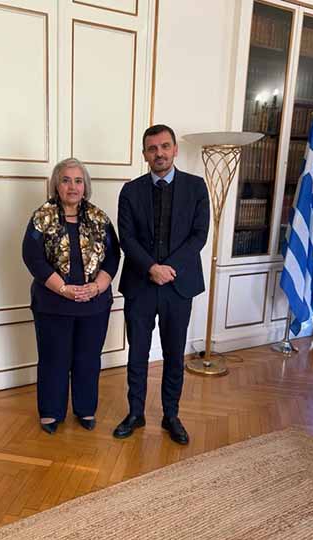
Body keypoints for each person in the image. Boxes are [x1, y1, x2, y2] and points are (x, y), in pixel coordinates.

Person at [113, 124, 210, 445]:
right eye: (152, 148)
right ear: (144, 154)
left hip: (179, 286)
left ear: (174, 150)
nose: (160, 153)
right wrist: (151, 268)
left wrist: (169, 269)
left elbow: (199, 235)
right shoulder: (130, 191)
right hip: (140, 285)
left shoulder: (196, 187)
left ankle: (171, 415)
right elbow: (126, 237)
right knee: (137, 354)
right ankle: (135, 413)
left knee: (174, 354)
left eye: (165, 146)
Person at [22, 158, 121, 435]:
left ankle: (85, 409)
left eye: (78, 181)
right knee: (54, 359)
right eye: (66, 180)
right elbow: (32, 257)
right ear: (57, 184)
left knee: (88, 359)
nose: (72, 186)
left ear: (85, 186)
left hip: (94, 304)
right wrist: (63, 288)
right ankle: (51, 412)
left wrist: (98, 286)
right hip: (52, 304)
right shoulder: (42, 217)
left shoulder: (100, 218)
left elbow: (114, 256)